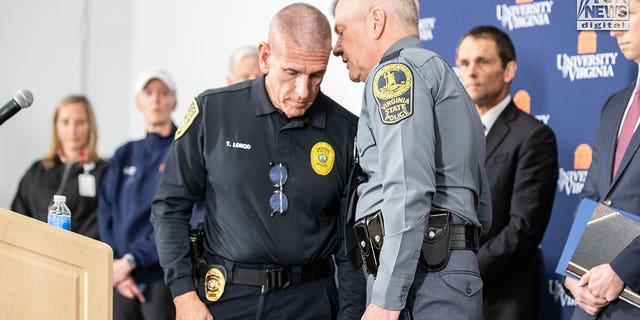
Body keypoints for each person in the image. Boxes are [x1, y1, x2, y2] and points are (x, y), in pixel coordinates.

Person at [151, 3, 366, 320]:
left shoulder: (346, 131)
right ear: (266, 57)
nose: (303, 90)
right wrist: (184, 296)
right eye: (291, 72)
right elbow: (169, 207)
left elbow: (351, 248)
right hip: (225, 301)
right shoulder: (212, 112)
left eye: (316, 75)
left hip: (310, 304)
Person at [332, 1, 492, 319]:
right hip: (444, 271)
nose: (336, 47)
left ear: (376, 21)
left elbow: (409, 190)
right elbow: (483, 211)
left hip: (420, 279)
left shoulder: (395, 74)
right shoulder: (443, 74)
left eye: (341, 31)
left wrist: (387, 299)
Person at [455, 25, 558, 320]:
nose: (471, 72)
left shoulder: (534, 137)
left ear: (509, 70)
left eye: (482, 61)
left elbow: (522, 230)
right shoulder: (449, 137)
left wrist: (463, 271)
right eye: (464, 63)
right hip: (448, 300)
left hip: (503, 302)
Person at [564, 1, 640, 318]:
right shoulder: (615, 104)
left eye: (625, 16)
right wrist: (574, 273)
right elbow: (593, 194)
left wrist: (622, 268)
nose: (613, 29)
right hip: (594, 304)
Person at [97, 68, 177, 319]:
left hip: (161, 276)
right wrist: (115, 267)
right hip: (120, 278)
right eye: (149, 93)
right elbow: (106, 211)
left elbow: (179, 217)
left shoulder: (182, 150)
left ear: (173, 101)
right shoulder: (125, 154)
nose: (156, 99)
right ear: (138, 102)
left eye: (163, 93)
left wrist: (132, 260)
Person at [12, 94, 108, 239]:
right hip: (34, 253)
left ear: (90, 125)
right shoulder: (37, 171)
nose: (72, 129)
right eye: (65, 122)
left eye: (80, 122)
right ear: (56, 125)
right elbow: (18, 215)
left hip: (80, 256)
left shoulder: (104, 172)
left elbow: (103, 220)